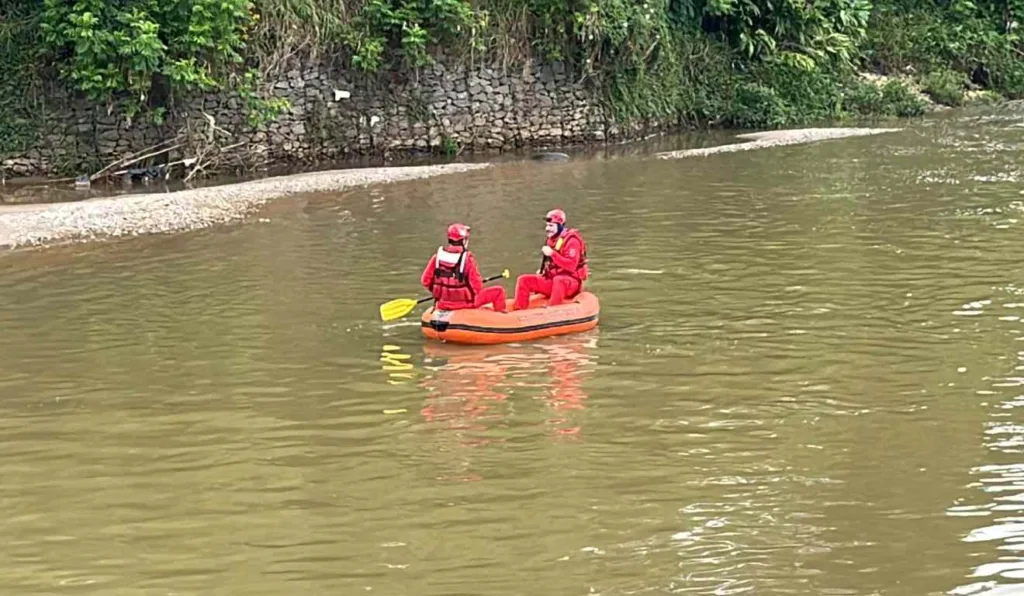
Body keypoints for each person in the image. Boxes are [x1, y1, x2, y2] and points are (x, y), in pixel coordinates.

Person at [512, 209, 589, 310]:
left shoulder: (572, 241)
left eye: (551, 226)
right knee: (523, 280)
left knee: (559, 280)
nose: (547, 228)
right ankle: (518, 310)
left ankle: (552, 309)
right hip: (554, 281)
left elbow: (571, 266)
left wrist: (552, 254)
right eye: (547, 225)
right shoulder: (551, 240)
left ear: (560, 226)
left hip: (570, 283)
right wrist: (544, 271)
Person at [421, 223, 507, 312]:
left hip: (443, 304)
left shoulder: (437, 258)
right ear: (463, 241)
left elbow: (425, 281)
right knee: (498, 291)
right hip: (466, 304)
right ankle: (503, 317)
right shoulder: (467, 259)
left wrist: (441, 293)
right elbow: (477, 287)